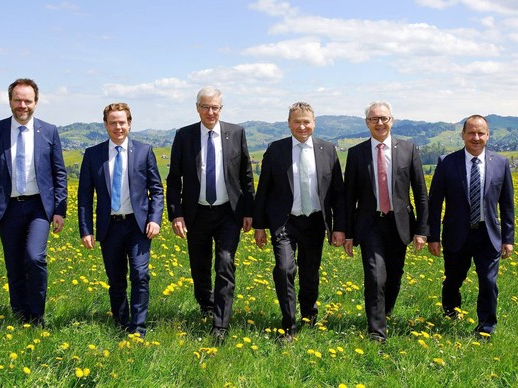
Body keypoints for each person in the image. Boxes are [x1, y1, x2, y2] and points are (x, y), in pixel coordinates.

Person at [0, 78, 68, 326]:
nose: (22, 105)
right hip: (9, 208)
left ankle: (37, 317)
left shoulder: (49, 131)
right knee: (14, 265)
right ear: (10, 101)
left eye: (27, 100)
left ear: (36, 102)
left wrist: (60, 209)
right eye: (17, 100)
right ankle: (20, 314)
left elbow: (59, 174)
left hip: (38, 207)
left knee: (35, 258)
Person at [166, 86, 255, 341]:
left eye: (215, 107)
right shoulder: (184, 136)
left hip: (229, 212)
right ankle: (206, 305)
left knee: (225, 262)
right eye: (205, 106)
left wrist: (249, 211)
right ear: (197, 108)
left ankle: (221, 325)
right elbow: (174, 179)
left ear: (221, 108)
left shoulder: (236, 133)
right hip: (197, 213)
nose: (210, 112)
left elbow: (246, 175)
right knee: (199, 265)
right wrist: (176, 214)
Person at [253, 102, 345, 340]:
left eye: (306, 122)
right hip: (285, 222)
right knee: (284, 269)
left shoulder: (327, 150)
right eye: (297, 121)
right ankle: (288, 323)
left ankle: (309, 315)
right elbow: (263, 189)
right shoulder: (276, 150)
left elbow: (337, 192)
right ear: (289, 123)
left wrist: (339, 227)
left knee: (310, 272)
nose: (302, 126)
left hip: (314, 221)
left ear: (314, 123)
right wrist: (259, 226)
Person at [344, 101, 428, 343]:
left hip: (400, 224)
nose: (379, 123)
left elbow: (420, 193)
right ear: (366, 123)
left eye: (384, 118)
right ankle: (377, 331)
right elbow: (349, 198)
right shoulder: (356, 153)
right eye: (374, 119)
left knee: (394, 275)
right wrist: (348, 233)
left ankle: (385, 310)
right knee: (374, 276)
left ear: (392, 120)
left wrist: (422, 230)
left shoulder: (408, 149)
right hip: (369, 224)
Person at [78, 103, 164, 338]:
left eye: (122, 122)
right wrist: (86, 230)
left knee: (140, 275)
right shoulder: (93, 155)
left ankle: (138, 328)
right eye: (113, 122)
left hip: (138, 226)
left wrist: (155, 219)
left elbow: (156, 190)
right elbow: (85, 196)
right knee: (116, 279)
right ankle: (120, 322)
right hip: (109, 227)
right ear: (105, 125)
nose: (118, 127)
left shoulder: (144, 151)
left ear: (130, 123)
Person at [428, 114, 514, 337]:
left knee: (488, 281)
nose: (476, 137)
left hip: (488, 235)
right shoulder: (447, 162)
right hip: (457, 234)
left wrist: (508, 239)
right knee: (454, 278)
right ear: (463, 135)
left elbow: (507, 204)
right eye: (471, 133)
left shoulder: (501, 163)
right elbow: (435, 202)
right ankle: (450, 312)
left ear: (488, 135)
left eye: (480, 133)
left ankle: (486, 326)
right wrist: (433, 237)